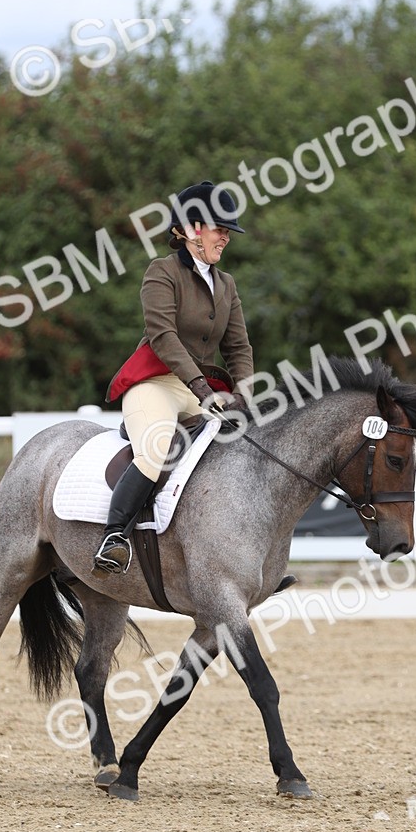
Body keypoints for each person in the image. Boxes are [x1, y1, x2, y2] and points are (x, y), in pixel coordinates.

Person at [93, 180, 254, 574]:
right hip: (156, 386)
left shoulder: (226, 284)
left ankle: (246, 561)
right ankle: (113, 539)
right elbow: (162, 336)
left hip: (204, 393)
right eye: (220, 229)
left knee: (244, 450)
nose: (226, 238)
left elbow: (238, 347)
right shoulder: (161, 273)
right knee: (156, 448)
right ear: (193, 229)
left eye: (228, 231)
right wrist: (200, 388)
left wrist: (246, 395)